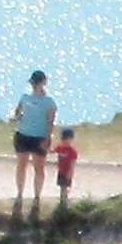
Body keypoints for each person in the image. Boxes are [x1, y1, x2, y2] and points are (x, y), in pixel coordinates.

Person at [10, 69, 57, 212]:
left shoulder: (49, 102)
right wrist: (17, 117)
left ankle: (36, 197)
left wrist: (47, 138)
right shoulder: (24, 98)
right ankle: (19, 195)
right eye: (34, 82)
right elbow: (17, 113)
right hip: (23, 134)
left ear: (43, 83)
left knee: (39, 168)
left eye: (37, 82)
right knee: (21, 166)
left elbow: (50, 122)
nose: (35, 85)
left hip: (39, 137)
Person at [53, 127, 79, 207]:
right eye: (63, 139)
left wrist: (70, 173)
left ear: (71, 139)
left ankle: (65, 201)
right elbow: (53, 151)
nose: (65, 141)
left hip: (67, 171)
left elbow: (72, 164)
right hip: (61, 171)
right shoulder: (60, 147)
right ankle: (62, 200)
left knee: (66, 187)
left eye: (67, 139)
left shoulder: (72, 151)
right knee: (61, 186)